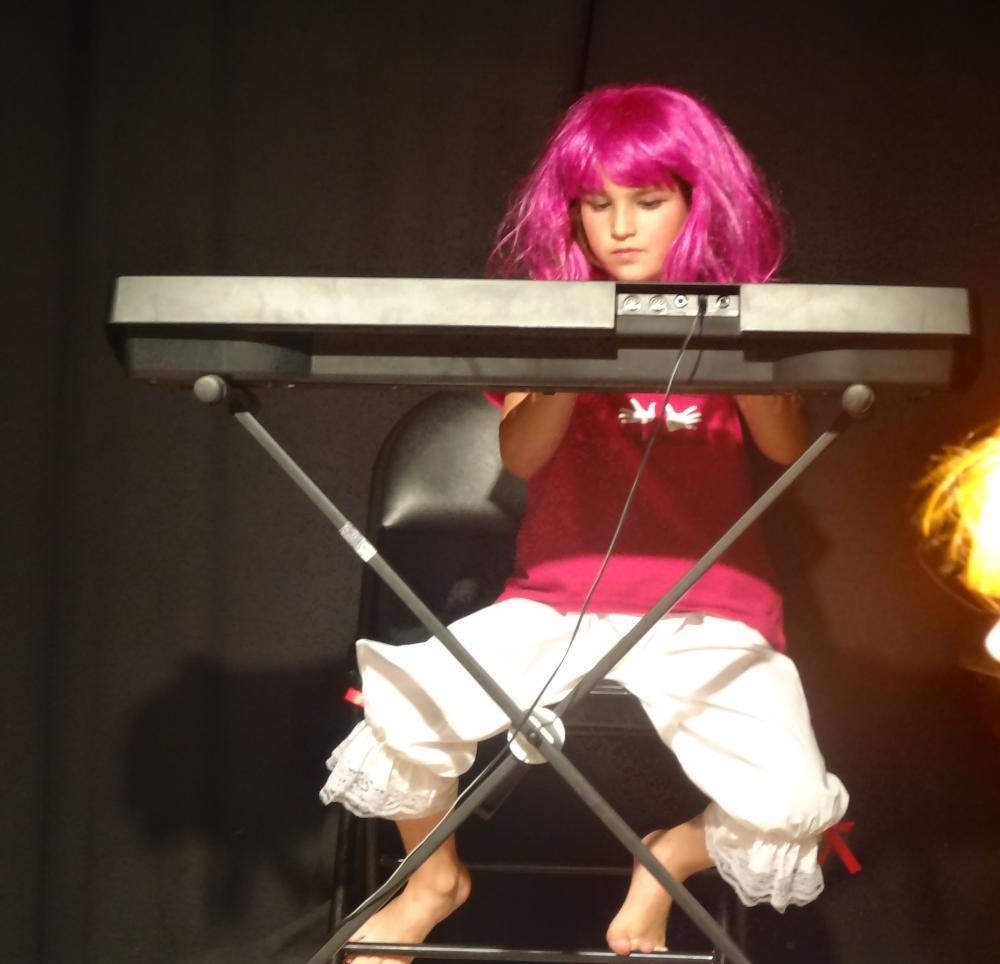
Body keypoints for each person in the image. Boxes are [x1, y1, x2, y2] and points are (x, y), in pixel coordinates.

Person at [320, 83, 849, 959]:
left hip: (711, 612)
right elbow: (522, 455)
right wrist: (568, 351)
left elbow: (787, 446)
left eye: (648, 202)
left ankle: (666, 860)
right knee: (401, 708)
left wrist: (746, 340)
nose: (621, 228)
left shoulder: (740, 313)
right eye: (598, 206)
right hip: (558, 604)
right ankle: (434, 878)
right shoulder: (551, 314)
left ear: (698, 203)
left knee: (792, 803)